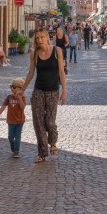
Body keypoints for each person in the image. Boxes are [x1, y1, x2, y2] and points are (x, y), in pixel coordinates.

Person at [22, 29, 66, 163]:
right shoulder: (34, 54)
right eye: (37, 38)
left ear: (47, 37)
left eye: (41, 37)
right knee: (38, 123)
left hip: (53, 91)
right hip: (38, 91)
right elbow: (30, 74)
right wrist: (22, 89)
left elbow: (61, 72)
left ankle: (53, 142)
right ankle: (42, 153)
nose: (39, 40)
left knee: (49, 121)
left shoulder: (57, 51)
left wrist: (64, 90)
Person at [0, 78, 27, 158]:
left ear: (20, 89)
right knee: (10, 136)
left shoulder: (22, 97)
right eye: (11, 87)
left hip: (20, 121)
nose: (12, 89)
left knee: (18, 136)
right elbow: (3, 106)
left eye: (14, 87)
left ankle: (16, 151)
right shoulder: (9, 97)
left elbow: (23, 107)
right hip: (11, 120)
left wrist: (19, 98)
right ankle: (13, 146)